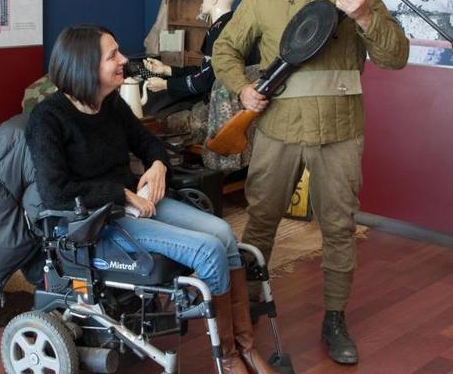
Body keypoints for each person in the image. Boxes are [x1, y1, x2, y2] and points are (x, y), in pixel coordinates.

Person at [212, 0, 409, 365]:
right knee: (259, 222)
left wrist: (363, 16)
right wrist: (242, 91)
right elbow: (224, 50)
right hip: (277, 129)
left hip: (339, 131)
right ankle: (249, 312)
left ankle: (334, 316)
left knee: (338, 227)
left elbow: (394, 56)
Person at [26, 24, 276, 374]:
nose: (124, 60)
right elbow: (55, 192)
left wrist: (158, 165)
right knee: (207, 250)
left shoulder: (110, 104)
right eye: (113, 55)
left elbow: (149, 143)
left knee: (222, 232)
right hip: (97, 222)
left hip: (135, 206)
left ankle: (245, 349)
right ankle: (230, 359)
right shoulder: (47, 119)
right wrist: (122, 193)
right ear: (85, 65)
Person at [143, 0, 242, 101]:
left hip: (217, 99)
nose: (201, 1)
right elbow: (204, 69)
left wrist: (165, 84)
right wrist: (166, 69)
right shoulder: (223, 25)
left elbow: (205, 80)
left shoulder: (222, 32)